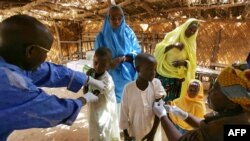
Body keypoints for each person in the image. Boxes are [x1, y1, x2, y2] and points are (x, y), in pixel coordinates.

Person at [0, 14, 106, 141]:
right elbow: (50, 108)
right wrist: (85, 99)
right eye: (46, 52)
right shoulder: (8, 83)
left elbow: (48, 72)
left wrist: (88, 80)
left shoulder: (11, 61)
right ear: (31, 51)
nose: (45, 58)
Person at [153, 66, 250, 141]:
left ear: (232, 102)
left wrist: (163, 116)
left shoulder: (222, 131)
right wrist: (181, 113)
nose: (210, 91)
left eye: (216, 89)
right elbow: (206, 125)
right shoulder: (237, 114)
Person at [94, 5, 142, 113]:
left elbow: (137, 51)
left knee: (128, 104)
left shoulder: (128, 33)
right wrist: (107, 63)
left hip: (128, 76)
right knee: (111, 106)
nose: (117, 21)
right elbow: (97, 57)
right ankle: (116, 128)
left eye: (120, 18)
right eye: (113, 18)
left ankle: (125, 127)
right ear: (108, 18)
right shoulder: (101, 37)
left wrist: (121, 59)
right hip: (110, 77)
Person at [119, 53, 166, 141]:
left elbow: (159, 110)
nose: (153, 73)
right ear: (138, 69)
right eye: (149, 69)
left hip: (154, 131)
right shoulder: (128, 88)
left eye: (154, 69)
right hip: (136, 131)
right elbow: (124, 113)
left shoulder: (156, 84)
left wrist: (152, 133)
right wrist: (126, 135)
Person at [154, 18, 199, 102]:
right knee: (160, 102)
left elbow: (193, 63)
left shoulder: (191, 44)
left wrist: (184, 63)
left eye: (194, 31)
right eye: (190, 29)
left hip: (179, 80)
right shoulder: (172, 36)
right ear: (185, 27)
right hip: (165, 75)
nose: (191, 32)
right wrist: (173, 45)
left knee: (174, 104)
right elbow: (158, 49)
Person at [83, 47, 120, 141]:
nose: (98, 66)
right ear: (93, 59)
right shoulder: (92, 74)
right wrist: (86, 80)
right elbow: (86, 92)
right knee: (95, 132)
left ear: (108, 65)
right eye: (95, 62)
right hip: (94, 110)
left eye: (103, 65)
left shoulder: (107, 81)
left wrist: (87, 79)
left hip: (105, 114)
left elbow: (91, 96)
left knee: (104, 134)